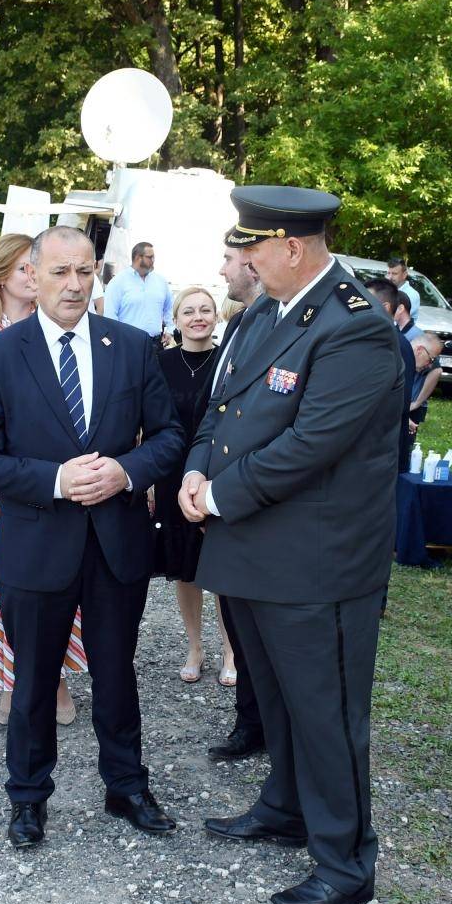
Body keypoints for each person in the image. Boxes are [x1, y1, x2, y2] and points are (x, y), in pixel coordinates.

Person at [181, 185, 404, 904]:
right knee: (273, 695)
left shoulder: (356, 329)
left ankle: (345, 862)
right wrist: (195, 466)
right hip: (253, 546)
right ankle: (285, 806)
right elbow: (224, 407)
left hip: (317, 562)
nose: (241, 260)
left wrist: (217, 494)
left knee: (326, 711)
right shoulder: (265, 314)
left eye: (252, 247)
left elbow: (311, 445)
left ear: (293, 249)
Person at [0, 225, 184, 850]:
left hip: (116, 544)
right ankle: (28, 799)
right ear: (32, 275)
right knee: (33, 678)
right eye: (60, 272)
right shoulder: (0, 355)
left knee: (117, 671)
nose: (74, 285)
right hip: (36, 544)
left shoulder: (133, 347)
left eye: (85, 271)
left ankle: (127, 786)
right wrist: (55, 479)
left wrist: (125, 471)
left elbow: (169, 437)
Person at [0, 234, 85, 725]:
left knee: (58, 578)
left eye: (36, 267)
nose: (34, 275)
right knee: (1, 584)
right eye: (25, 268)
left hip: (58, 480)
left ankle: (57, 678)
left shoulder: (64, 327)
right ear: (2, 275)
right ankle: (10, 680)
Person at [201, 239, 267, 764]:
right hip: (223, 501)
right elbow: (218, 407)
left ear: (252, 261)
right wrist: (196, 472)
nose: (221, 270)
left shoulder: (291, 324)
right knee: (237, 617)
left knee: (263, 628)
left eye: (226, 259)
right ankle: (251, 721)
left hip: (258, 500)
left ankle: (271, 723)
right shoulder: (245, 321)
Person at [153, 286, 237, 686]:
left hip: (217, 472)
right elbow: (148, 422)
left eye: (205, 309)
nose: (198, 317)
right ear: (176, 318)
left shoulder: (230, 361)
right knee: (184, 567)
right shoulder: (160, 362)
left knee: (219, 567)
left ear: (216, 316)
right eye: (189, 311)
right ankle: (194, 646)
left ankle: (230, 649)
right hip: (172, 473)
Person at [366, 278, 419, 465]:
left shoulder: (397, 344)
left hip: (383, 448)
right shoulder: (376, 338)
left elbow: (399, 402)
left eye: (365, 300)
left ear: (385, 306)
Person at [103, 241, 173, 344]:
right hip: (128, 343)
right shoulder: (118, 282)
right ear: (137, 257)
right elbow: (110, 315)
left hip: (155, 343)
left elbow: (169, 308)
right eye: (150, 257)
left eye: (154, 257)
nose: (153, 260)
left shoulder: (161, 281)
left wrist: (170, 330)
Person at [409, 331, 444, 438]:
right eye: (431, 359)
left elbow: (437, 371)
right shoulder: (396, 360)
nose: (430, 365)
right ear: (419, 350)